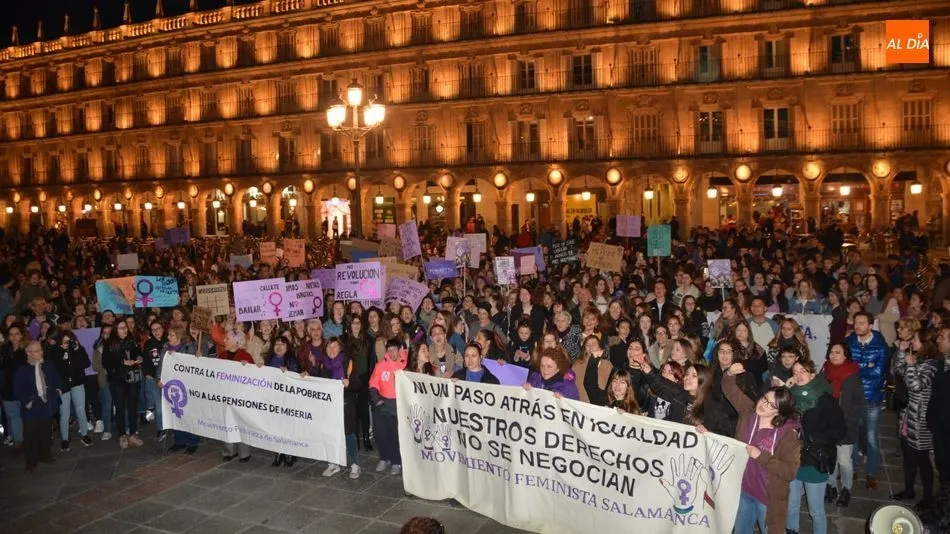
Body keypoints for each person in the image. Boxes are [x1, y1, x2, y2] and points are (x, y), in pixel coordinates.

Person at [723, 362, 801, 534]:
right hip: (743, 490)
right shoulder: (749, 413)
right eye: (764, 399)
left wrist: (761, 456)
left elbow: (789, 472)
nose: (763, 404)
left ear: (779, 412)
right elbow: (730, 390)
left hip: (768, 497)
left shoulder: (787, 435)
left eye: (770, 405)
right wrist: (729, 373)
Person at [786, 356, 845, 534]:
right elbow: (773, 411)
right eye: (795, 372)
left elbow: (840, 430)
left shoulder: (825, 399)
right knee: (791, 504)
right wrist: (785, 388)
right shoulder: (789, 397)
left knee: (816, 510)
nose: (798, 375)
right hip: (792, 457)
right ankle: (792, 530)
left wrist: (813, 438)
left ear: (812, 374)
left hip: (815, 458)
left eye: (803, 371)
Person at [891, 331, 940, 510]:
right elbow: (898, 371)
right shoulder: (918, 360)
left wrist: (911, 365)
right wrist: (901, 354)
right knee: (908, 457)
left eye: (916, 340)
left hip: (920, 419)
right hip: (908, 416)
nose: (913, 342)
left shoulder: (932, 365)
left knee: (922, 459)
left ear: (926, 344)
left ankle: (928, 497)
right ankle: (909, 490)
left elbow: (916, 386)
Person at [845, 311, 889, 490]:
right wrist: (867, 366)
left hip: (872, 399)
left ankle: (871, 473)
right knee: (853, 436)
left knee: (871, 438)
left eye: (862, 323)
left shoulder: (880, 346)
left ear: (870, 326)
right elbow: (846, 367)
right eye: (856, 323)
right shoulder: (849, 342)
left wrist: (858, 367)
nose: (857, 326)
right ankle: (853, 467)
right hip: (853, 397)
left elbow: (878, 374)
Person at [820, 342, 865, 507]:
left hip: (846, 424)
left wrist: (850, 422)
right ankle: (831, 485)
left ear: (846, 355)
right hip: (828, 423)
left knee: (844, 460)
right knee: (830, 457)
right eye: (831, 352)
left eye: (837, 352)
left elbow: (859, 403)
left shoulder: (852, 375)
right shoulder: (825, 371)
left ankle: (846, 488)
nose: (833, 355)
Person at [317, 338, 361, 479]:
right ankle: (333, 463)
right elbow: (317, 380)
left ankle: (355, 464)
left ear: (340, 348)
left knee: (348, 433)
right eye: (329, 347)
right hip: (329, 405)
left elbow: (357, 383)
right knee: (331, 433)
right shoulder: (323, 363)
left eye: (335, 347)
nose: (332, 350)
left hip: (345, 403)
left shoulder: (348, 362)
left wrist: (349, 384)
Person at [14, 341, 61, 473]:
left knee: (46, 433)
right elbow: (18, 389)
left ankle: (45, 455)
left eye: (40, 350)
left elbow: (56, 378)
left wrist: (57, 390)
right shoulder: (23, 369)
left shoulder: (48, 365)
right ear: (29, 353)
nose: (40, 352)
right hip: (32, 406)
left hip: (46, 404)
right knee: (30, 435)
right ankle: (31, 462)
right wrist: (28, 401)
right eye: (36, 351)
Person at [103, 321, 144, 449]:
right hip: (118, 379)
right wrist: (122, 362)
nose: (124, 330)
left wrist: (139, 358)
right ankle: (122, 434)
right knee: (120, 407)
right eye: (121, 328)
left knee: (133, 406)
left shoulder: (132, 340)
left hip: (133, 377)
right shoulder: (110, 343)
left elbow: (139, 353)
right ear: (116, 330)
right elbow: (106, 362)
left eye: (125, 327)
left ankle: (132, 433)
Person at [47, 331, 92, 451]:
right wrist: (62, 351)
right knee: (65, 413)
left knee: (80, 409)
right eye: (65, 341)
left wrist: (77, 349)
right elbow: (55, 368)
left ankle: (84, 434)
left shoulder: (77, 349)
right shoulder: (55, 351)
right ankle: (65, 439)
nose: (68, 343)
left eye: (69, 341)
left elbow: (86, 363)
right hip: (63, 385)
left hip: (77, 382)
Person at [370, 338, 408, 475]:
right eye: (389, 350)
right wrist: (377, 400)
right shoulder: (380, 365)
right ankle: (384, 458)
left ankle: (396, 461)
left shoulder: (406, 365)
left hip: (398, 406)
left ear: (400, 350)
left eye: (394, 350)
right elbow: (373, 384)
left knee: (395, 435)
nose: (391, 353)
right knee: (380, 434)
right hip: (382, 404)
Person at [571, 335, 613, 405]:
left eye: (594, 344)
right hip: (581, 405)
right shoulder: (577, 365)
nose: (591, 347)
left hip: (600, 406)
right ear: (585, 349)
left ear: (600, 347)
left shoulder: (607, 365)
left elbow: (611, 387)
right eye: (588, 345)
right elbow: (570, 385)